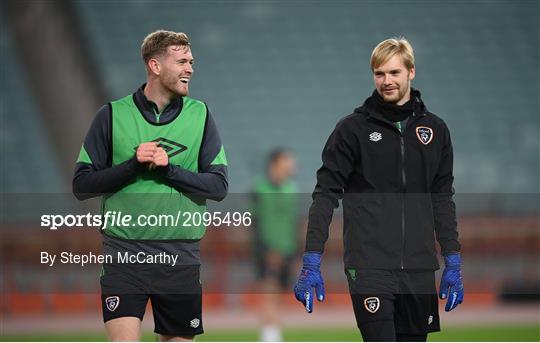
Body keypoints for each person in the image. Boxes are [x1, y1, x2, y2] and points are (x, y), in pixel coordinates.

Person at [293, 37, 464, 342]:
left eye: (394, 73)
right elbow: (325, 195)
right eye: (379, 73)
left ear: (411, 72)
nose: (387, 81)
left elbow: (442, 199)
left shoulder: (436, 130)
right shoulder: (351, 129)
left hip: (419, 266)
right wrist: (311, 259)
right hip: (368, 265)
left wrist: (452, 258)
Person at [73, 30, 228, 341]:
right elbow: (82, 184)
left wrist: (169, 169)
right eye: (182, 61)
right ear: (155, 66)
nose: (190, 69)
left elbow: (218, 186)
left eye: (191, 61)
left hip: (180, 256)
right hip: (125, 254)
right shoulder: (112, 115)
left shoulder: (200, 114)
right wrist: (132, 165)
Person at [251, 148, 298, 341]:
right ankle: (270, 337)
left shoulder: (292, 189)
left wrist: (295, 254)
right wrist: (266, 250)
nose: (290, 166)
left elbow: (293, 224)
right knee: (269, 294)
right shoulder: (259, 189)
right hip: (267, 252)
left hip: (288, 251)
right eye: (285, 162)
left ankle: (274, 333)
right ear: (274, 165)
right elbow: (254, 224)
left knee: (280, 295)